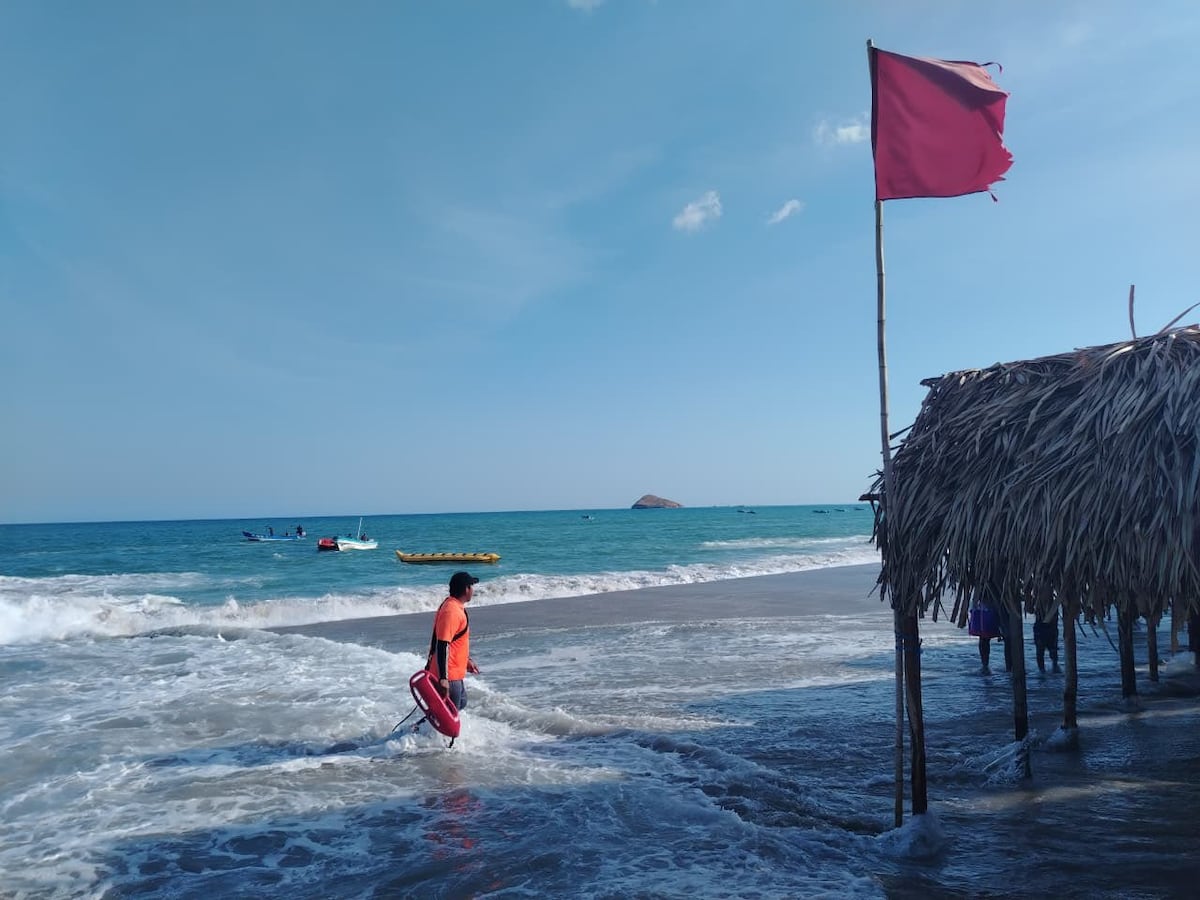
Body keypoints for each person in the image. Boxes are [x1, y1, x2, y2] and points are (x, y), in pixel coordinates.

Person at [426, 571, 482, 711]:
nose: (473, 590)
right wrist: (443, 679)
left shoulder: (454, 606)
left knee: (461, 703)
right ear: (466, 589)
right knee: (449, 714)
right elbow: (443, 644)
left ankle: (419, 729)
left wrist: (466, 660)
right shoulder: (452, 611)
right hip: (449, 675)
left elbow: (455, 640)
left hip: (454, 670)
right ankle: (414, 730)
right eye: (471, 586)